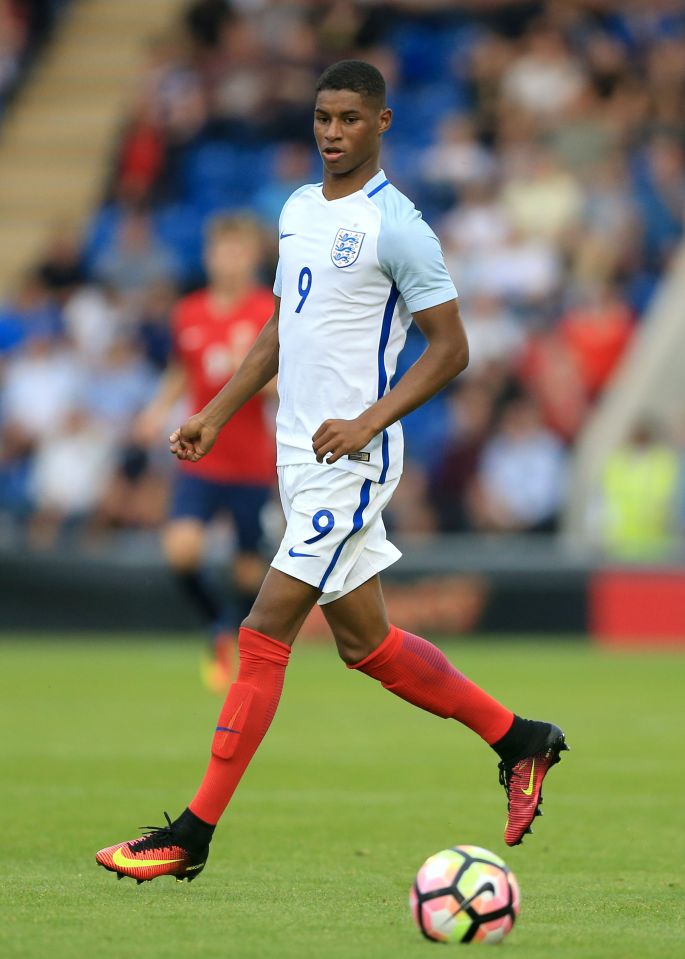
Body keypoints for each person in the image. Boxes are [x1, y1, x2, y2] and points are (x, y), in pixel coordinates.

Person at [96, 60, 567, 884]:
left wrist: (368, 422)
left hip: (351, 460)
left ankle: (191, 834)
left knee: (261, 631)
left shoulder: (400, 226)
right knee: (367, 644)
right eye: (322, 115)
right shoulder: (296, 208)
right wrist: (214, 410)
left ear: (381, 124)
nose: (332, 130)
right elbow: (285, 323)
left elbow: (451, 348)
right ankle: (520, 737)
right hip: (295, 454)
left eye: (350, 117)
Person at [135, 213, 276, 690]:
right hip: (201, 456)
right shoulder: (189, 312)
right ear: (210, 256)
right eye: (222, 250)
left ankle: (234, 632)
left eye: (238, 251)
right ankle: (217, 624)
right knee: (181, 549)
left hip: (251, 462)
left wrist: (249, 377)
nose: (229, 260)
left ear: (253, 257)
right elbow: (182, 369)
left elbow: (283, 384)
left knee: (246, 569)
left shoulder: (264, 312)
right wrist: (156, 410)